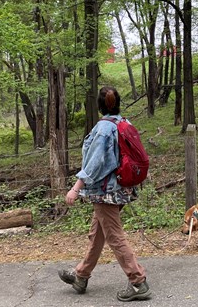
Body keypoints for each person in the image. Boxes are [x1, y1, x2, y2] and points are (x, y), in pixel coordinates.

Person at [58, 86, 152, 302]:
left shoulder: (103, 129)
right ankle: (81, 276)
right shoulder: (123, 122)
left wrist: (76, 187)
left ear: (99, 106)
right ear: (118, 103)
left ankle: (138, 282)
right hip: (118, 188)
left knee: (114, 236)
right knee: (97, 234)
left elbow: (95, 162)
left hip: (105, 192)